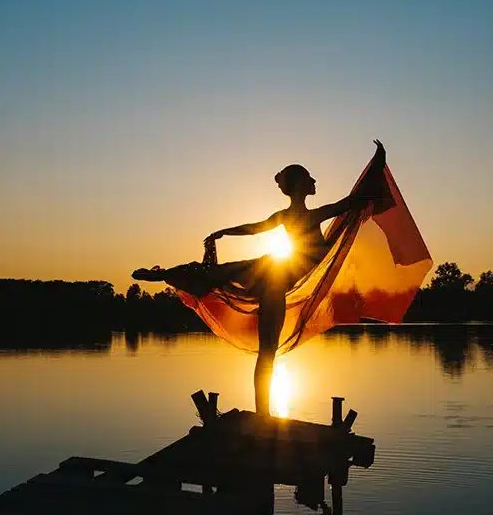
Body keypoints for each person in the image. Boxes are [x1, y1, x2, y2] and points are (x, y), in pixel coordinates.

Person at [133, 140, 387, 415]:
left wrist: (224, 231)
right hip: (274, 277)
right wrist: (377, 166)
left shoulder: (294, 216)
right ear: (301, 186)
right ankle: (164, 275)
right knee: (263, 343)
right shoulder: (312, 216)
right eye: (309, 178)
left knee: (263, 342)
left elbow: (259, 228)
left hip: (274, 279)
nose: (315, 181)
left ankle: (263, 414)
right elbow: (349, 203)